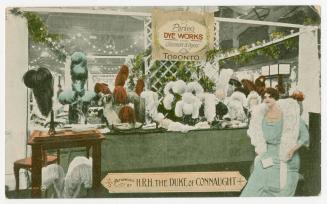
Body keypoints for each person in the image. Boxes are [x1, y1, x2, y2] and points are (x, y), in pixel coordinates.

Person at [241, 87, 309, 196]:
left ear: (277, 99)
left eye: (270, 96)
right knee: (257, 180)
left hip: (286, 156)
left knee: (280, 187)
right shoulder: (261, 116)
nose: (267, 99)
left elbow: (305, 137)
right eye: (265, 97)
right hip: (268, 155)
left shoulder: (291, 116)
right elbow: (258, 139)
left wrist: (292, 149)